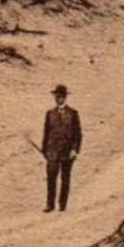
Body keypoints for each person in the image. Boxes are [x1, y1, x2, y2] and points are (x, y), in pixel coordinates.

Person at [41, 84, 83, 213]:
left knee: (65, 178)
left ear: (65, 98)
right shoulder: (50, 114)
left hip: (67, 152)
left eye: (61, 97)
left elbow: (78, 134)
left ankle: (62, 205)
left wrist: (75, 150)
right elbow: (46, 133)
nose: (59, 99)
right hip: (52, 152)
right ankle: (50, 205)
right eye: (57, 96)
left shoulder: (73, 114)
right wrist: (45, 150)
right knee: (51, 178)